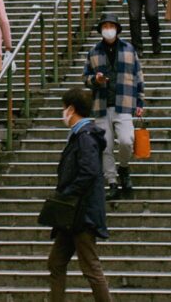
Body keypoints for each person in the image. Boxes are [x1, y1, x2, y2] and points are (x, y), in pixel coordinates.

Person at [47, 87, 112, 302]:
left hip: (81, 213)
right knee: (56, 263)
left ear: (72, 109)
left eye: (64, 109)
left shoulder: (85, 137)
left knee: (91, 268)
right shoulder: (80, 135)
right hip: (72, 213)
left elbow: (89, 171)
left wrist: (68, 194)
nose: (63, 113)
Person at [82, 14, 144, 200]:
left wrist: (140, 101)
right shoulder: (93, 52)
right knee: (105, 146)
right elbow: (85, 78)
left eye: (111, 25)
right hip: (101, 105)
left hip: (124, 104)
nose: (108, 29)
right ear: (101, 29)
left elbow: (138, 76)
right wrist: (95, 79)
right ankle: (112, 182)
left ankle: (123, 167)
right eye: (105, 26)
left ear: (117, 28)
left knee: (126, 140)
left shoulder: (128, 49)